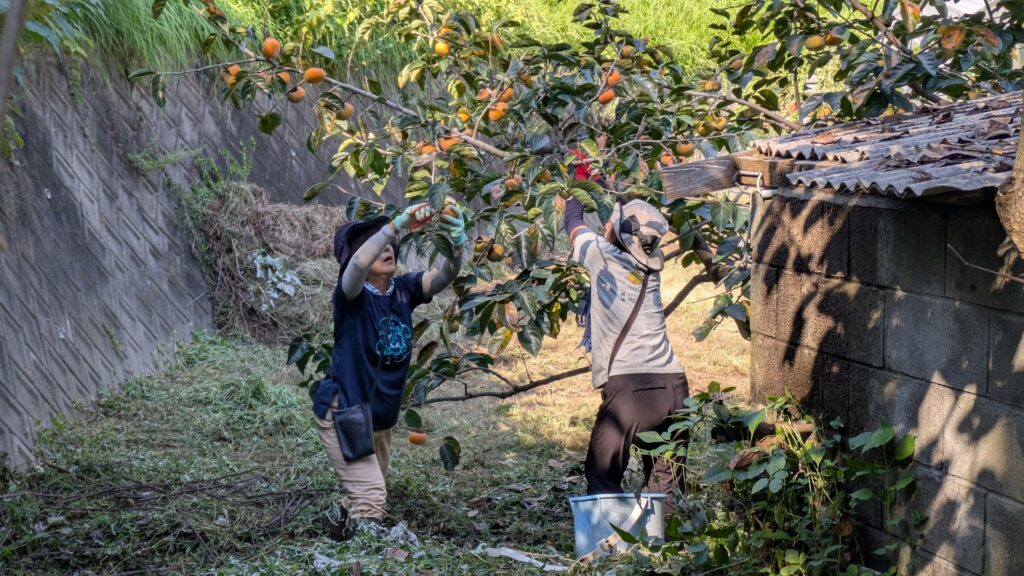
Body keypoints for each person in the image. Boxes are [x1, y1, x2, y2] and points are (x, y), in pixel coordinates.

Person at [312, 202, 465, 532]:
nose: (388, 250)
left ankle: (335, 531)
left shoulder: (403, 291)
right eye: (377, 246)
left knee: (364, 494)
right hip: (346, 410)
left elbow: (445, 275)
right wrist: (393, 228)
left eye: (391, 246)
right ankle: (365, 555)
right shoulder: (351, 297)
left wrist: (457, 245)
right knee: (371, 499)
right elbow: (355, 267)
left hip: (380, 419)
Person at [563, 168, 688, 498]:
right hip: (674, 388)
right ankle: (664, 531)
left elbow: (572, 220)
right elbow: (628, 226)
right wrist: (605, 186)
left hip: (631, 390)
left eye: (610, 221)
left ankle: (607, 533)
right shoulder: (651, 263)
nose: (605, 223)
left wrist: (580, 178)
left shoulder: (601, 255)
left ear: (615, 232)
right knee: (666, 489)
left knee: (602, 479)